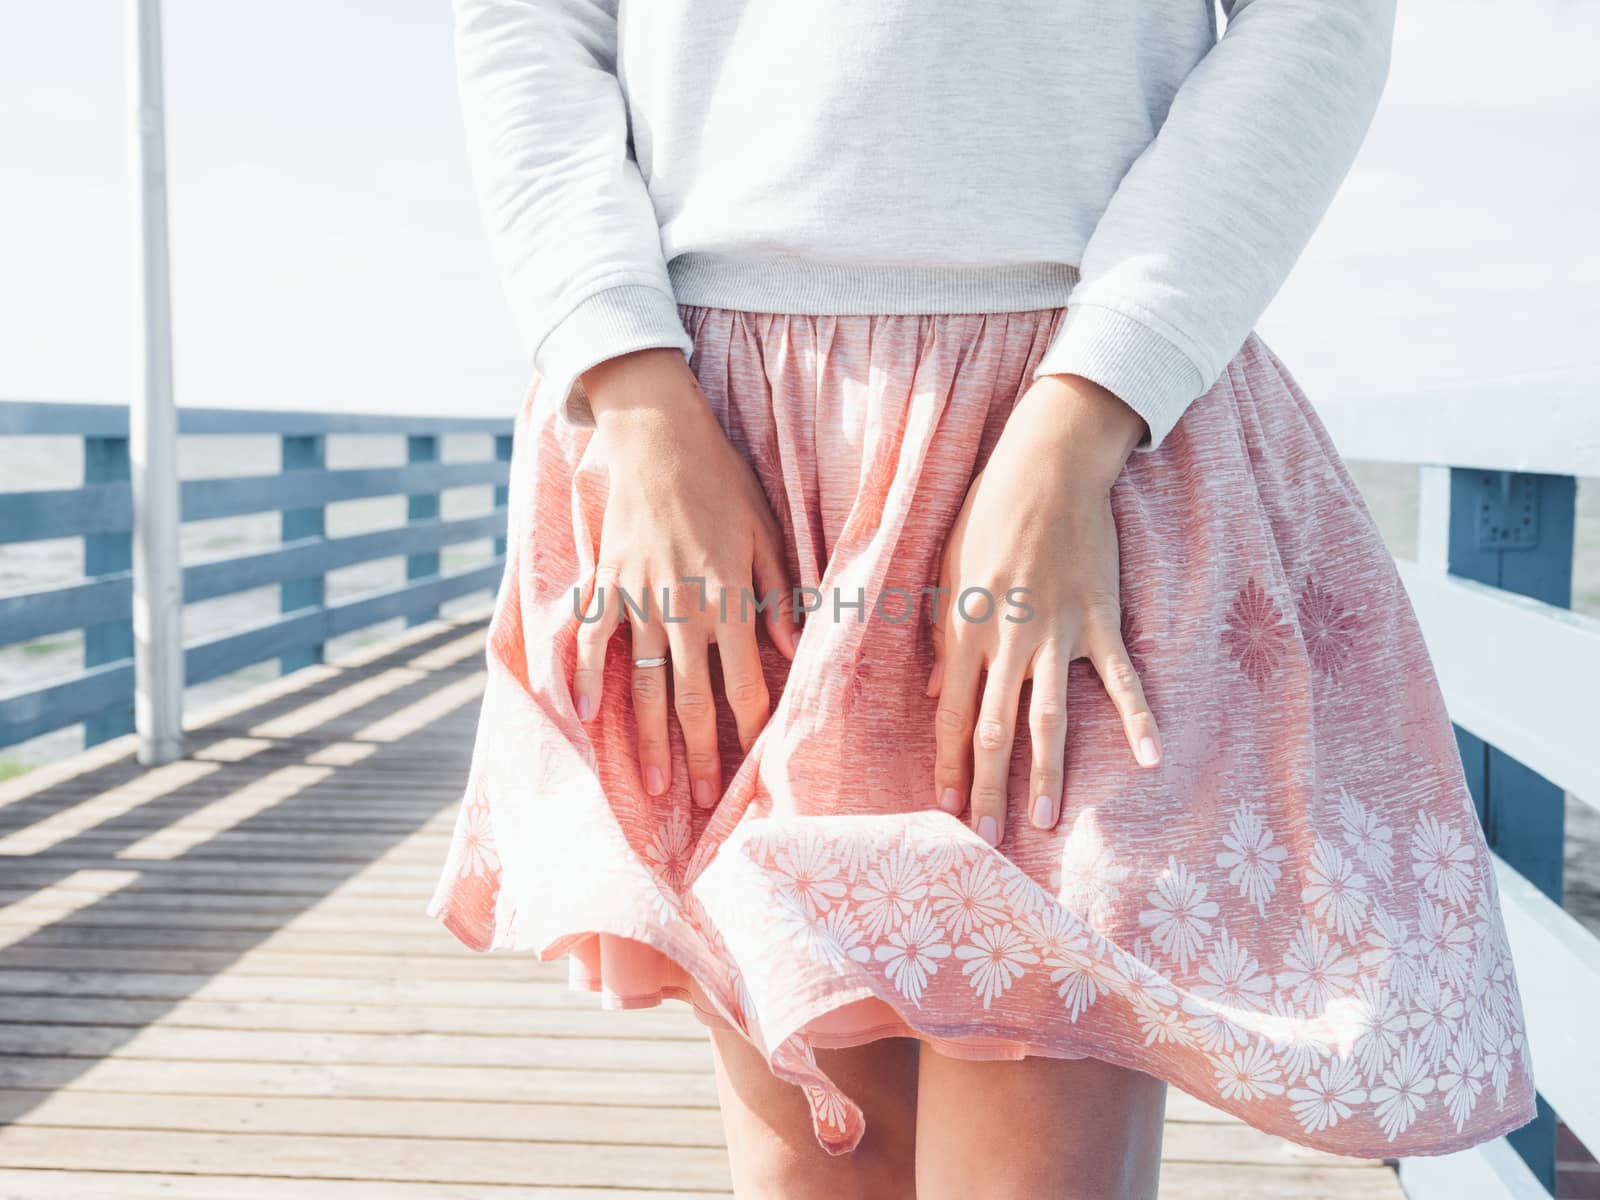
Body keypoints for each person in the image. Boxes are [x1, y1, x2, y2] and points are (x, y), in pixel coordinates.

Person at [428, 2, 1538, 1196]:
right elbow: (530, 26)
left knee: (1033, 1164)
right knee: (815, 1169)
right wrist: (633, 391)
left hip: (1083, 438)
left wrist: (1085, 413)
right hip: (717, 438)